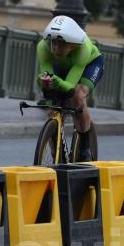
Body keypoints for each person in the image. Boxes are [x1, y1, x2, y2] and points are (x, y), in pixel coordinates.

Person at [36, 15, 103, 161]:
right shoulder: (43, 47)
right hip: (63, 67)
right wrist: (44, 83)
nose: (56, 48)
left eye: (62, 44)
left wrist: (58, 83)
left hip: (89, 65)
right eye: (54, 43)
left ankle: (85, 146)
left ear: (72, 45)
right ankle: (56, 154)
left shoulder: (82, 49)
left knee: (78, 96)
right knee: (52, 107)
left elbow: (69, 86)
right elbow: (48, 76)